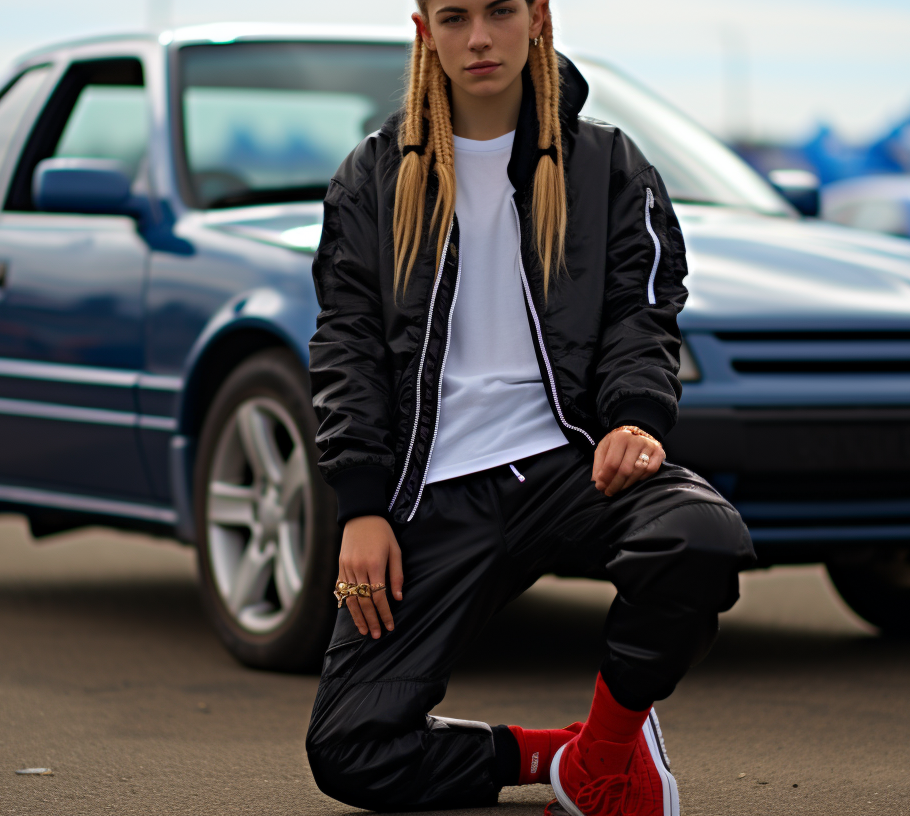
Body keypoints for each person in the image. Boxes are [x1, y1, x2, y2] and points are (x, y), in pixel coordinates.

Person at [304, 1, 755, 813]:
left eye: (501, 11)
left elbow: (641, 313)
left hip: (566, 466)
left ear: (538, 17)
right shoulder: (370, 176)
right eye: (455, 17)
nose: (479, 38)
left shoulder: (609, 165)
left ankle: (612, 750)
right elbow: (347, 348)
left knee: (701, 536)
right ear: (424, 32)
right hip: (426, 495)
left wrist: (634, 420)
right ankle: (568, 758)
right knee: (349, 751)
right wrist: (360, 507)